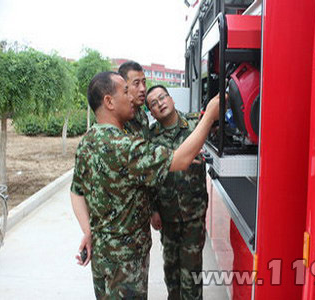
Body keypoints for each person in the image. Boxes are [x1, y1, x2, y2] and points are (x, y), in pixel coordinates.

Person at [70, 71, 220, 299]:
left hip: (102, 256)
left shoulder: (87, 142)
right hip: (126, 262)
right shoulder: (126, 147)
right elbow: (180, 159)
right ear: (109, 102)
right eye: (126, 91)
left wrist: (88, 233)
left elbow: (76, 192)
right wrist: (209, 115)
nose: (132, 97)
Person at [146, 85, 208, 300]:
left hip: (194, 215)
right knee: (171, 273)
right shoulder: (150, 137)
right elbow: (149, 177)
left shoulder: (195, 124)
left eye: (162, 98)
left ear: (171, 99)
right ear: (151, 112)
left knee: (191, 275)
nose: (160, 103)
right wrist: (153, 209)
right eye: (153, 103)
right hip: (167, 216)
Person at [118, 61, 149, 140]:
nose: (143, 89)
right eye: (136, 83)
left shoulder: (142, 115)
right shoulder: (118, 116)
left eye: (144, 82)